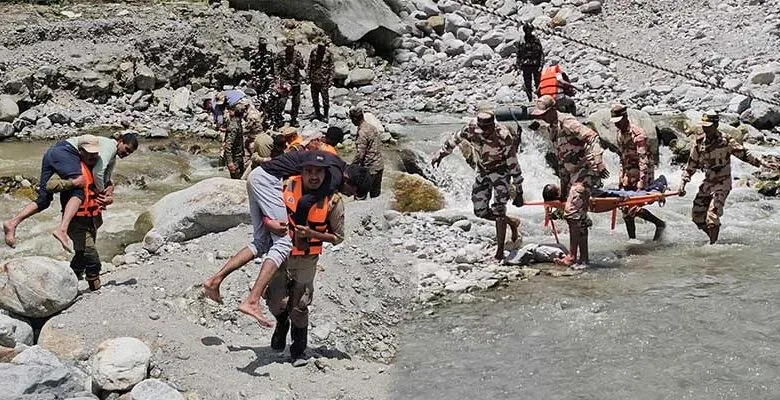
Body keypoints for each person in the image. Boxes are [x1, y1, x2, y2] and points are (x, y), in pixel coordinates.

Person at [202, 152, 370, 326]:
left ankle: (214, 281)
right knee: (282, 243)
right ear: (348, 179)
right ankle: (252, 301)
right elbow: (304, 203)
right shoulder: (332, 178)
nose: (346, 195)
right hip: (268, 182)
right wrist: (301, 233)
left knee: (260, 242)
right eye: (350, 192)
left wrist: (269, 221)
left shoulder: (334, 163)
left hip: (258, 176)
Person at [266, 160, 345, 366]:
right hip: (280, 254)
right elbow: (263, 213)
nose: (313, 176)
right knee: (276, 301)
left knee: (299, 306)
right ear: (301, 171)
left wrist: (312, 233)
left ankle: (298, 349)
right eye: (308, 171)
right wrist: (270, 225)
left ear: (325, 173)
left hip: (307, 258)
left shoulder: (333, 200)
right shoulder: (283, 187)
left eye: (318, 172)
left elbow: (338, 237)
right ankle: (281, 324)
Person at [4, 133, 137, 251]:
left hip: (53, 152)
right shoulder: (110, 147)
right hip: (67, 152)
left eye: (130, 153)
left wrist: (109, 189)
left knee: (44, 199)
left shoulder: (112, 155)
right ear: (120, 141)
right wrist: (101, 194)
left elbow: (106, 175)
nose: (126, 154)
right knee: (79, 188)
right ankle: (62, 229)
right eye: (126, 150)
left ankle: (12, 223)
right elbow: (98, 172)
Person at [431, 109, 523, 261]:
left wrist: (519, 191)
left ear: (492, 127)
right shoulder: (472, 128)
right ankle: (512, 222)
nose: (483, 134)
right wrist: (440, 154)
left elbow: (514, 164)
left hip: (501, 173)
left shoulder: (503, 136)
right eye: (481, 130)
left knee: (499, 211)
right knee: (480, 211)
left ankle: (500, 251)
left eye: (486, 131)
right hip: (482, 171)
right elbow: (454, 140)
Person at [531, 95, 608, 267]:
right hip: (572, 174)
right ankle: (584, 259)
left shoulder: (567, 122)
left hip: (586, 171)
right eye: (539, 115)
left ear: (552, 110)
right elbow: (561, 160)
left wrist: (598, 161)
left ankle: (572, 257)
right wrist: (564, 189)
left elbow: (592, 137)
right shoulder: (552, 128)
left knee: (572, 213)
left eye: (543, 113)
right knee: (578, 216)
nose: (541, 117)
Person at [678, 111, 777, 244]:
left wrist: (761, 162)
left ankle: (713, 246)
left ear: (716, 125)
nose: (705, 128)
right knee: (697, 217)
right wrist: (683, 183)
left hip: (722, 183)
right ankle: (712, 238)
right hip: (708, 183)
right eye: (704, 126)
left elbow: (744, 154)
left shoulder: (726, 140)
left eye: (708, 126)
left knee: (712, 217)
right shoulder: (699, 141)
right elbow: (691, 164)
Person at [45, 163, 108, 291]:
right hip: (75, 221)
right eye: (89, 153)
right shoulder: (68, 167)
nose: (92, 157)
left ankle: (70, 280)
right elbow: (50, 185)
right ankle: (95, 286)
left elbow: (108, 182)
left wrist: (109, 196)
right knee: (90, 253)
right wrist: (73, 183)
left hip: (92, 219)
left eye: (94, 154)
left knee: (81, 254)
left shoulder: (97, 167)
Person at [611, 104, 666, 241]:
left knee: (632, 208)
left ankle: (659, 224)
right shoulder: (620, 134)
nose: (617, 125)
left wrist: (642, 182)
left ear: (625, 117)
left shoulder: (638, 134)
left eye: (619, 122)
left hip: (642, 174)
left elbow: (644, 160)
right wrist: (621, 178)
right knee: (625, 209)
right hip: (628, 174)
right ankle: (633, 240)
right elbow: (622, 158)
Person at [350, 106, 384, 199]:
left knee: (360, 195)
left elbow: (360, 154)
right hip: (379, 165)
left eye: (351, 119)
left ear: (355, 119)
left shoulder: (362, 132)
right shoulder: (372, 127)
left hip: (369, 169)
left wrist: (351, 167)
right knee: (375, 196)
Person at [275, 38, 306, 127]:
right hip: (285, 81)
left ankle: (294, 119)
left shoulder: (297, 54)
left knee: (296, 102)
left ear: (294, 46)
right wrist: (277, 79)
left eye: (291, 46)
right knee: (282, 101)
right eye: (288, 46)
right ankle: (279, 118)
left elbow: (302, 66)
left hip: (296, 81)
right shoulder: (281, 54)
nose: (289, 48)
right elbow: (277, 67)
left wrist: (300, 61)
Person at [307, 36, 334, 121]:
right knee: (315, 98)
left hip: (324, 81)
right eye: (319, 46)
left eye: (322, 46)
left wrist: (330, 80)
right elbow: (309, 65)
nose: (320, 47)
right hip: (314, 79)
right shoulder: (314, 52)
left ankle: (326, 115)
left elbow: (332, 67)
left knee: (325, 99)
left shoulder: (328, 54)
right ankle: (317, 113)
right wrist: (308, 77)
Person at [515, 25, 544, 102]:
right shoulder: (522, 41)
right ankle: (530, 99)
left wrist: (541, 65)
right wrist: (518, 65)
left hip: (535, 65)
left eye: (529, 30)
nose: (528, 32)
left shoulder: (536, 40)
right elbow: (519, 54)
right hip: (526, 66)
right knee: (528, 85)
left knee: (538, 83)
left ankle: (540, 99)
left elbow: (541, 53)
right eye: (526, 30)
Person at [224, 106, 246, 179]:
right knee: (236, 178)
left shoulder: (237, 123)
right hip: (235, 158)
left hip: (239, 156)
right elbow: (228, 145)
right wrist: (230, 162)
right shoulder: (234, 126)